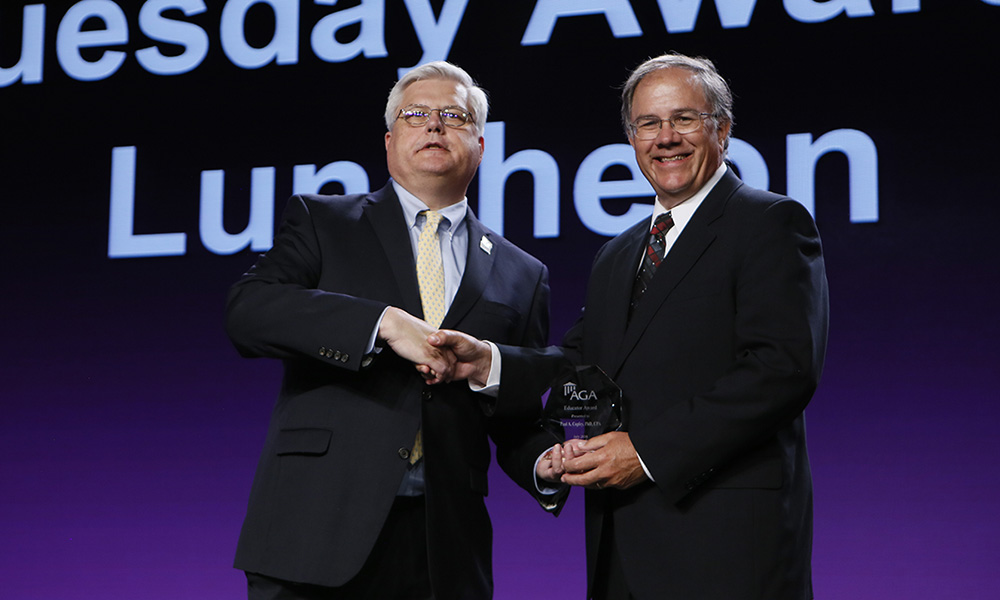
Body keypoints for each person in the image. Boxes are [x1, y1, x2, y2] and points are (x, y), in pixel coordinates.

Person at [430, 52, 829, 599]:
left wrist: (644, 453)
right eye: (648, 123)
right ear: (632, 139)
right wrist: (541, 446)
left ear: (724, 130)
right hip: (621, 551)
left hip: (728, 548)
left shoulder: (770, 222)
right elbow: (579, 371)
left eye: (684, 119)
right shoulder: (617, 255)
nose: (666, 137)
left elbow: (781, 369)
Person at [225, 61, 558, 599]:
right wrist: (381, 324)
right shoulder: (323, 220)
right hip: (316, 532)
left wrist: (544, 459)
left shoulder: (523, 273)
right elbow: (249, 310)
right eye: (416, 114)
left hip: (443, 548)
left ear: (480, 142)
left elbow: (513, 411)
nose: (434, 125)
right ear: (388, 139)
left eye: (453, 115)